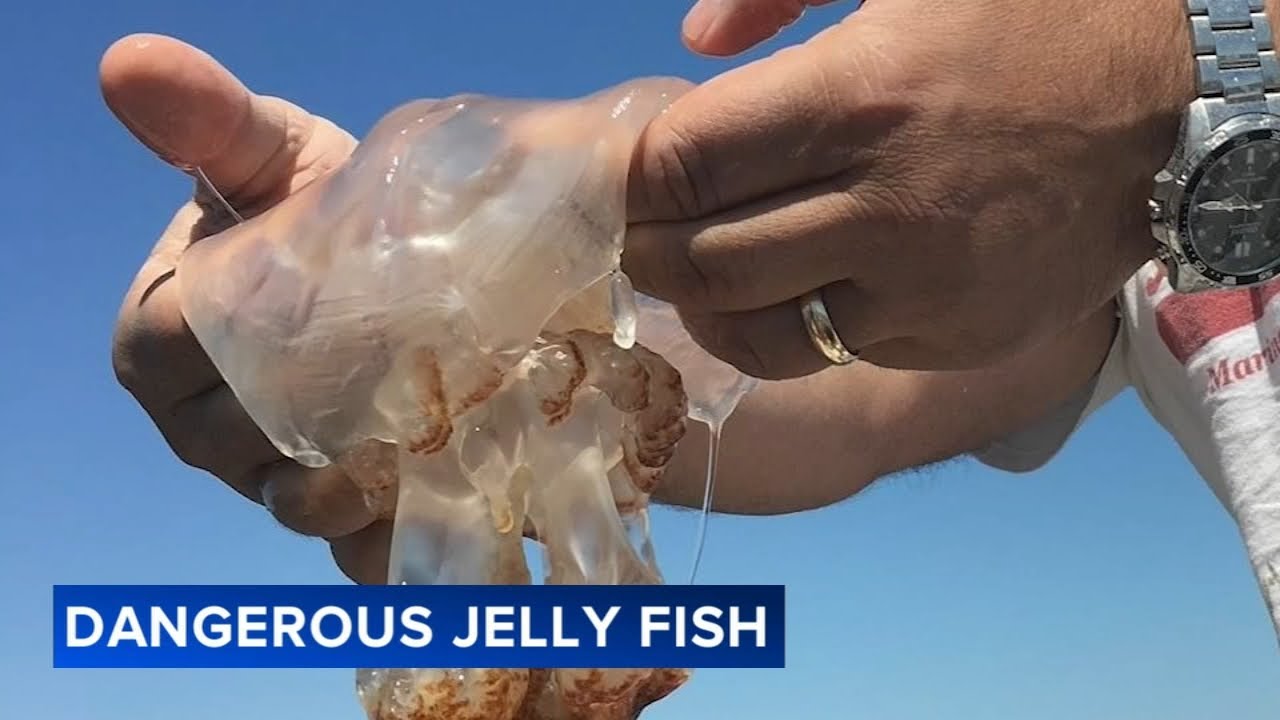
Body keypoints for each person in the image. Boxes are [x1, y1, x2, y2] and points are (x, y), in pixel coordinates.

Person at [103, 0, 1280, 645]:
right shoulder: (1149, 241)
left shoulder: (1156, 155)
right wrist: (491, 345)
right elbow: (892, 389)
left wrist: (1193, 64)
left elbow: (1153, 85)